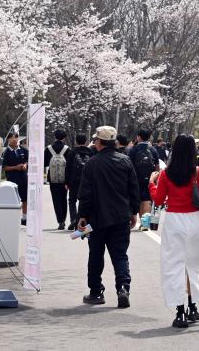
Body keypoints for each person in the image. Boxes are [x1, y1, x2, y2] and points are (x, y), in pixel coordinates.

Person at [149, 135, 199, 328]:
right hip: (195, 220)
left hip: (174, 221)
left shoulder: (166, 174)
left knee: (173, 266)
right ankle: (193, 307)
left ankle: (180, 311)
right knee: (193, 265)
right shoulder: (198, 172)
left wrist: (151, 184)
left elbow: (158, 200)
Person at [77, 126, 140, 308]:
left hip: (97, 218)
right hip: (121, 216)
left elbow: (85, 193)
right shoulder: (125, 161)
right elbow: (133, 189)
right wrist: (134, 212)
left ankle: (96, 292)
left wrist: (82, 215)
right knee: (120, 255)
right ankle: (123, 288)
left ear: (99, 142)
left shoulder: (92, 163)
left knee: (96, 255)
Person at [128, 128, 160, 229]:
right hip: (149, 178)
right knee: (146, 199)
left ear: (139, 137)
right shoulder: (153, 150)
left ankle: (137, 219)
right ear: (149, 138)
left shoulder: (133, 150)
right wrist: (155, 178)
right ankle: (144, 224)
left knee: (137, 199)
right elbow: (157, 165)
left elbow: (129, 165)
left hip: (136, 179)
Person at [45, 129, 73, 230]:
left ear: (55, 136)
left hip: (52, 178)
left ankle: (60, 221)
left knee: (56, 199)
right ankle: (63, 220)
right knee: (63, 199)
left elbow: (45, 163)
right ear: (64, 137)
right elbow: (70, 165)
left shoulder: (48, 149)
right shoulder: (67, 149)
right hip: (64, 179)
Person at [65, 133, 94, 230]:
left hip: (74, 181)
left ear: (76, 141)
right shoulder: (90, 152)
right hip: (87, 180)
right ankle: (80, 220)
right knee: (83, 200)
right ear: (86, 141)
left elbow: (68, 168)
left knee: (72, 200)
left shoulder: (72, 152)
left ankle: (73, 219)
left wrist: (67, 182)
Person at [2, 132, 29, 225]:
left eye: (16, 138)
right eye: (12, 138)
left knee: (25, 199)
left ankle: (24, 218)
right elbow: (4, 167)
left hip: (23, 178)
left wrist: (25, 165)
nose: (14, 140)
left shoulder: (23, 150)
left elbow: (28, 160)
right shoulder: (5, 152)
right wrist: (15, 167)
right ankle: (14, 218)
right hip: (12, 180)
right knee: (14, 200)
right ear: (8, 139)